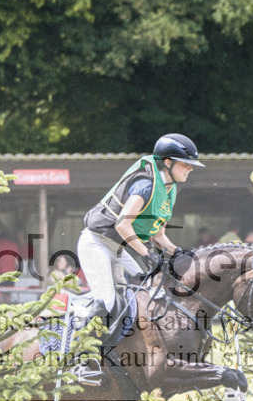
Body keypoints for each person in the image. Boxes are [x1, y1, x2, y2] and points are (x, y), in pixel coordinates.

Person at [78, 133, 203, 319]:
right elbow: (122, 224)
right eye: (185, 164)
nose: (190, 168)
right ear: (168, 162)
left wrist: (178, 252)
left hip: (117, 247)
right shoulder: (145, 185)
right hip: (96, 242)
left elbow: (158, 235)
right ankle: (76, 342)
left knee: (148, 289)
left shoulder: (170, 188)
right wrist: (148, 254)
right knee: (107, 303)